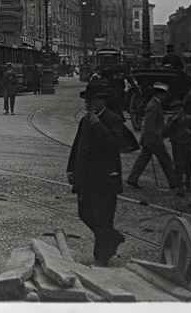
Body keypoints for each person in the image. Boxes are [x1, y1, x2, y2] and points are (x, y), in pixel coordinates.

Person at [67, 89, 130, 266]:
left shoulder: (114, 119)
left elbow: (115, 145)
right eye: (86, 101)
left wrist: (98, 125)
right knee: (84, 213)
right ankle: (113, 237)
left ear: (102, 102)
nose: (87, 104)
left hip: (105, 179)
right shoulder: (85, 120)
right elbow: (78, 144)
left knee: (103, 218)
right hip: (86, 178)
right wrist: (71, 168)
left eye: (91, 100)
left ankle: (100, 259)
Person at [127, 82, 183, 195]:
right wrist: (149, 140)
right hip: (153, 139)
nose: (165, 98)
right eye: (165, 95)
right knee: (165, 160)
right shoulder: (153, 105)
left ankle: (132, 179)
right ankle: (173, 183)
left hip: (152, 138)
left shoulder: (155, 103)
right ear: (160, 94)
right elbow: (149, 125)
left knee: (142, 160)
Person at [164, 99, 191, 193]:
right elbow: (165, 132)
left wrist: (190, 131)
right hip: (176, 144)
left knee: (188, 164)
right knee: (178, 165)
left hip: (188, 144)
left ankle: (188, 183)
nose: (177, 112)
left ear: (183, 110)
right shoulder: (171, 119)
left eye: (179, 109)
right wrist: (172, 122)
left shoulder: (189, 118)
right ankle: (180, 186)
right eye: (175, 110)